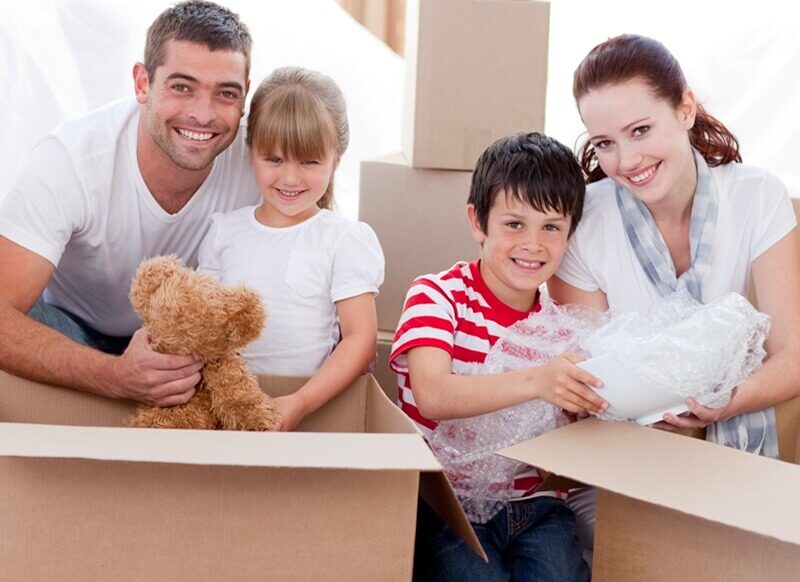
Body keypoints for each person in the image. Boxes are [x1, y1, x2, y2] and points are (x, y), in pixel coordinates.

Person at [549, 33, 800, 554]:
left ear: (684, 108)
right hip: (627, 456)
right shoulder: (587, 221)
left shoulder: (756, 197)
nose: (628, 159)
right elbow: (589, 377)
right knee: (633, 544)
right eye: (605, 144)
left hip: (735, 442)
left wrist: (726, 402)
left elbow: (795, 356)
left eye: (641, 130)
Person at [0, 1, 260, 406]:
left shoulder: (261, 164)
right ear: (142, 83)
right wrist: (115, 376)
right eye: (182, 87)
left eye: (225, 93)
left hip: (185, 345)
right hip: (72, 330)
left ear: (244, 100)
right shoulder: (69, 162)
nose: (203, 114)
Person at [390, 132, 603, 581]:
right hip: (446, 505)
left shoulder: (562, 329)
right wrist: (538, 381)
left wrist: (584, 409)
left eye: (551, 227)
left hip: (536, 507)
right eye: (514, 224)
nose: (533, 244)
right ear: (477, 222)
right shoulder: (437, 295)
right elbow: (432, 395)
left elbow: (570, 437)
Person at [197, 66, 384, 431]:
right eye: (274, 159)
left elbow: (361, 339)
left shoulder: (343, 239)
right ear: (251, 152)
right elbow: (204, 323)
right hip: (226, 405)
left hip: (309, 407)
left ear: (336, 161)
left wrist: (300, 402)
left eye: (309, 162)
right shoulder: (225, 230)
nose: (290, 178)